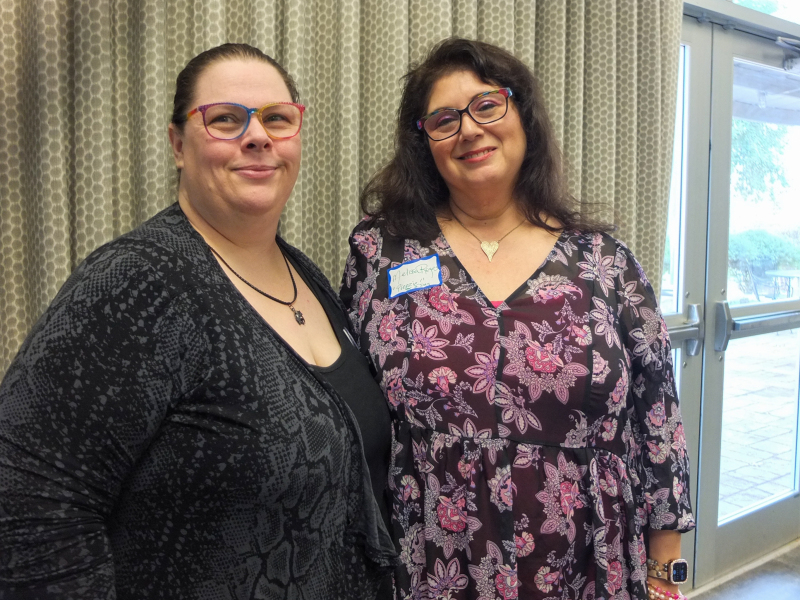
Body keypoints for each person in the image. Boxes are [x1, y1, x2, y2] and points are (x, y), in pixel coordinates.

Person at [0, 43, 396, 599]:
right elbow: (27, 503)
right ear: (177, 144)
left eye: (278, 119)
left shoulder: (303, 272)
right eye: (226, 119)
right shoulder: (137, 283)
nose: (257, 137)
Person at [340, 38, 695, 600]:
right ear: (424, 142)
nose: (469, 130)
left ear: (523, 116)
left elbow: (659, 419)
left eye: (487, 106)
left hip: (587, 564)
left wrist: (664, 572)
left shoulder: (605, 262)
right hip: (432, 563)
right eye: (444, 120)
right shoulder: (381, 254)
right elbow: (351, 409)